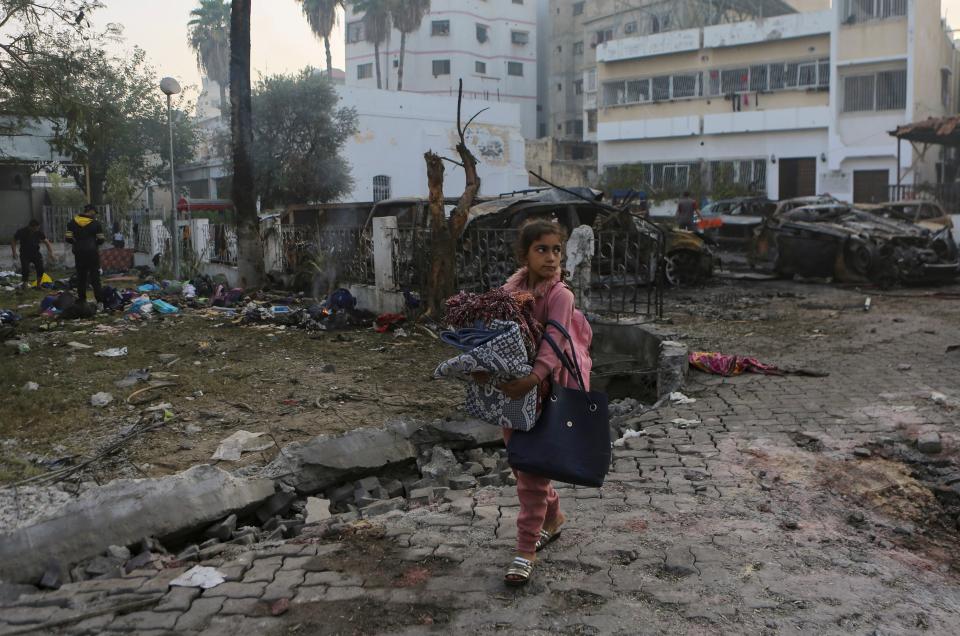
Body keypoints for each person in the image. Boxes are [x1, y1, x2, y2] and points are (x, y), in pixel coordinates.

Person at [476, 219, 593, 587]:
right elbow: (496, 336)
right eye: (541, 249)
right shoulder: (510, 291)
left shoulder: (560, 295)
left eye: (556, 249)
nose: (551, 257)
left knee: (531, 473)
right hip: (514, 392)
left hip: (548, 388)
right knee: (522, 461)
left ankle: (526, 549)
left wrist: (533, 377)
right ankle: (554, 518)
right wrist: (482, 367)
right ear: (524, 255)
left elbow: (555, 341)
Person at [65, 204, 105, 305]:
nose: (95, 215)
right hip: (92, 253)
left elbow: (68, 238)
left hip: (79, 253)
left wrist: (77, 243)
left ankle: (82, 300)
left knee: (81, 277)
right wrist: (94, 244)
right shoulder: (96, 224)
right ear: (91, 211)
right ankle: (100, 301)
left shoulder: (72, 222)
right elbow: (101, 239)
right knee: (95, 277)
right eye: (94, 213)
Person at [12, 219, 54, 289]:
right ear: (30, 227)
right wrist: (14, 252)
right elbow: (13, 240)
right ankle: (25, 285)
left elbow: (46, 242)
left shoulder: (39, 232)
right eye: (35, 228)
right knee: (25, 269)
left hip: (36, 253)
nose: (36, 230)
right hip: (24, 254)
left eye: (38, 228)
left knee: (41, 269)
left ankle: (38, 285)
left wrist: (51, 253)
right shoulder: (22, 231)